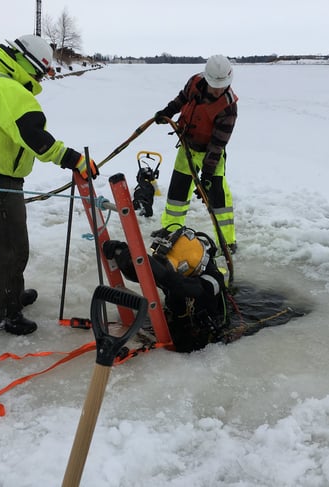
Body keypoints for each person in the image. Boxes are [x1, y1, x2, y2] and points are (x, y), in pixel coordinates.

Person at [0, 34, 97, 335]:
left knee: (0, 243)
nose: (37, 78)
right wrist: (72, 158)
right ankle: (5, 313)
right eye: (37, 72)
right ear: (25, 62)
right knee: (10, 248)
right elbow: (33, 135)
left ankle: (10, 295)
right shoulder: (7, 88)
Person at [152, 55, 239, 254]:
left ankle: (227, 242)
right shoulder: (195, 82)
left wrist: (207, 175)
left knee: (217, 198)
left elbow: (218, 145)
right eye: (214, 85)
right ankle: (170, 230)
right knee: (177, 193)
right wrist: (168, 112)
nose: (218, 90)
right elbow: (181, 99)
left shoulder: (228, 107)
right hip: (187, 146)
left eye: (222, 86)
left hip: (211, 154)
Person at [102, 226, 229, 352]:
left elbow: (184, 286)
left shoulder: (213, 280)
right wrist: (124, 256)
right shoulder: (172, 273)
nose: (163, 268)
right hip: (180, 319)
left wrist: (153, 265)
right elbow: (144, 276)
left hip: (207, 333)